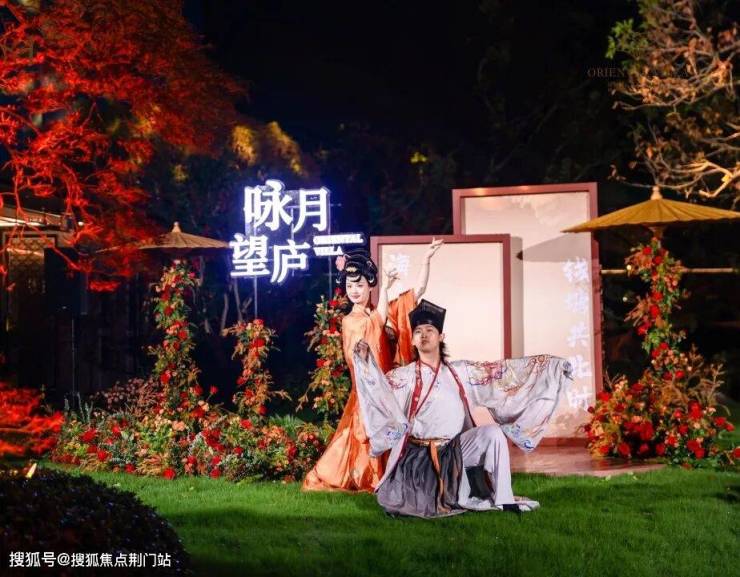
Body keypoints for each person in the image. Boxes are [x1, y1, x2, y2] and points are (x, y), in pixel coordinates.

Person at [352, 299, 572, 517]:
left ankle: (504, 499)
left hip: (454, 450)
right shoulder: (404, 376)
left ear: (441, 336)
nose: (424, 335)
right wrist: (365, 363)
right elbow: (379, 394)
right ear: (413, 341)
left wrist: (552, 367)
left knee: (494, 433)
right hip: (420, 458)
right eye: (418, 331)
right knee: (409, 504)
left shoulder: (461, 372)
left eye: (430, 330)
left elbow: (503, 374)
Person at [302, 241, 444, 492]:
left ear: (370, 285)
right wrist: (386, 290)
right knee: (366, 433)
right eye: (350, 286)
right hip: (368, 391)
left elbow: (416, 293)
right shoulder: (351, 320)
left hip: (389, 388)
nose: (354, 291)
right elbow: (375, 324)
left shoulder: (382, 310)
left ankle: (389, 474)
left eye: (359, 285)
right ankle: (368, 476)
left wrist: (426, 260)